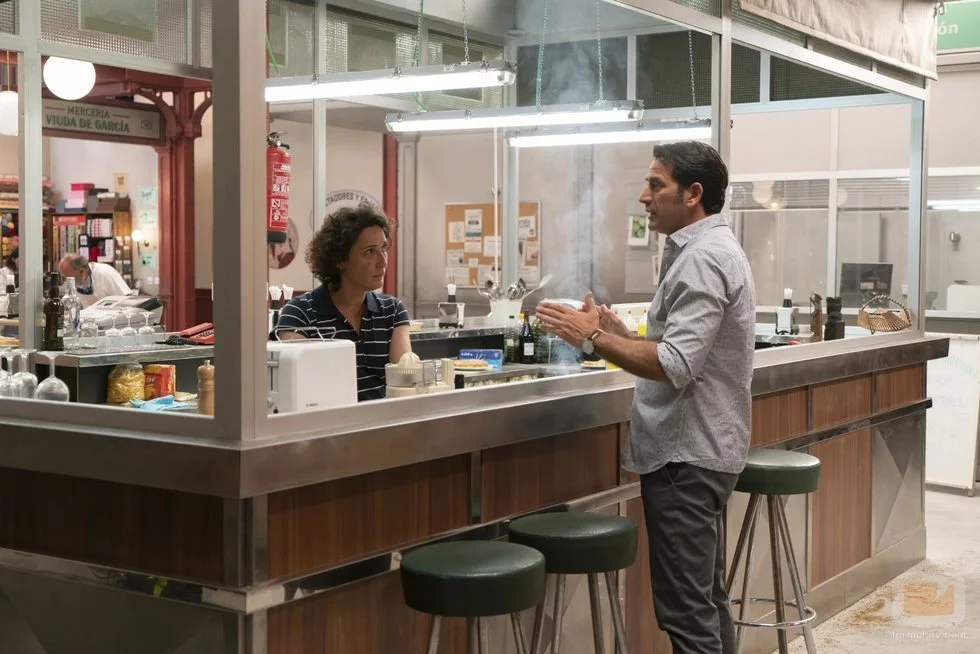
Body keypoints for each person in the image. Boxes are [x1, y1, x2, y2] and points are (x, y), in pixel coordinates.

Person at [535, 141, 755, 654]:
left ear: (693, 194)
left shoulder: (702, 259)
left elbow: (676, 364)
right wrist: (620, 334)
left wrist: (593, 338)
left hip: (685, 456)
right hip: (705, 450)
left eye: (656, 185)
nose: (643, 196)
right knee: (706, 602)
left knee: (688, 615)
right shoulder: (711, 248)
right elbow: (680, 349)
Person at [274, 204, 412, 402]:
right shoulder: (299, 313)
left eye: (383, 248)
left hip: (384, 418)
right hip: (328, 419)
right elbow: (300, 386)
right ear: (340, 260)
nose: (382, 262)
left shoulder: (392, 311)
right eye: (369, 252)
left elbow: (404, 384)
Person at [58, 253, 134, 308]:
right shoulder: (75, 282)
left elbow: (128, 301)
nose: (68, 282)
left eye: (70, 278)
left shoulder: (106, 273)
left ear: (82, 271)